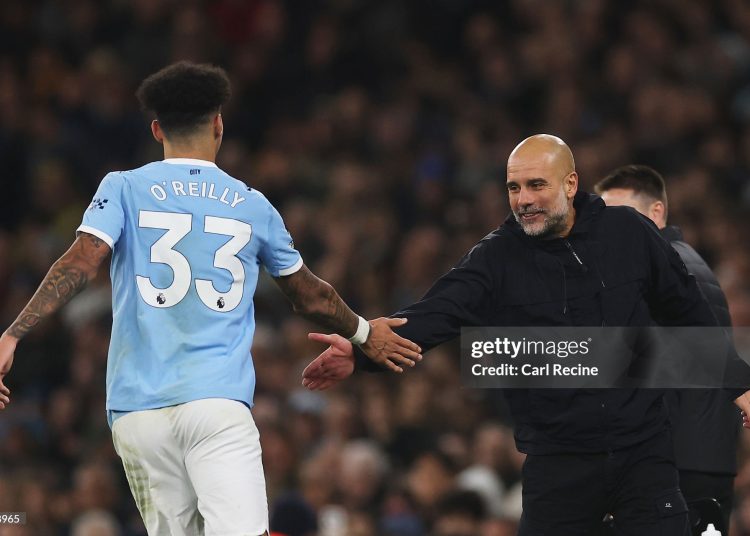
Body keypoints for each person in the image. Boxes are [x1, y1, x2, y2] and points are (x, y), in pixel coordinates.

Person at [0, 61, 420, 536]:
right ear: (219, 124)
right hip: (216, 406)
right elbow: (311, 297)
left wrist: (12, 334)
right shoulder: (251, 204)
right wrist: (365, 332)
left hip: (137, 412)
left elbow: (80, 262)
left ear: (157, 129)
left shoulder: (122, 187)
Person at [302, 134, 750, 535]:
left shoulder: (629, 233)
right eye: (514, 188)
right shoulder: (496, 257)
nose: (523, 199)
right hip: (559, 464)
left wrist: (739, 385)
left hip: (642, 453)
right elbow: (435, 314)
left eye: (537, 185)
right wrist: (360, 350)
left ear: (570, 185)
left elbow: (687, 311)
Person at [595, 164, 738, 532]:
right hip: (705, 457)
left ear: (656, 211)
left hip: (674, 462)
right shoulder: (690, 262)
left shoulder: (661, 266)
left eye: (621, 215)